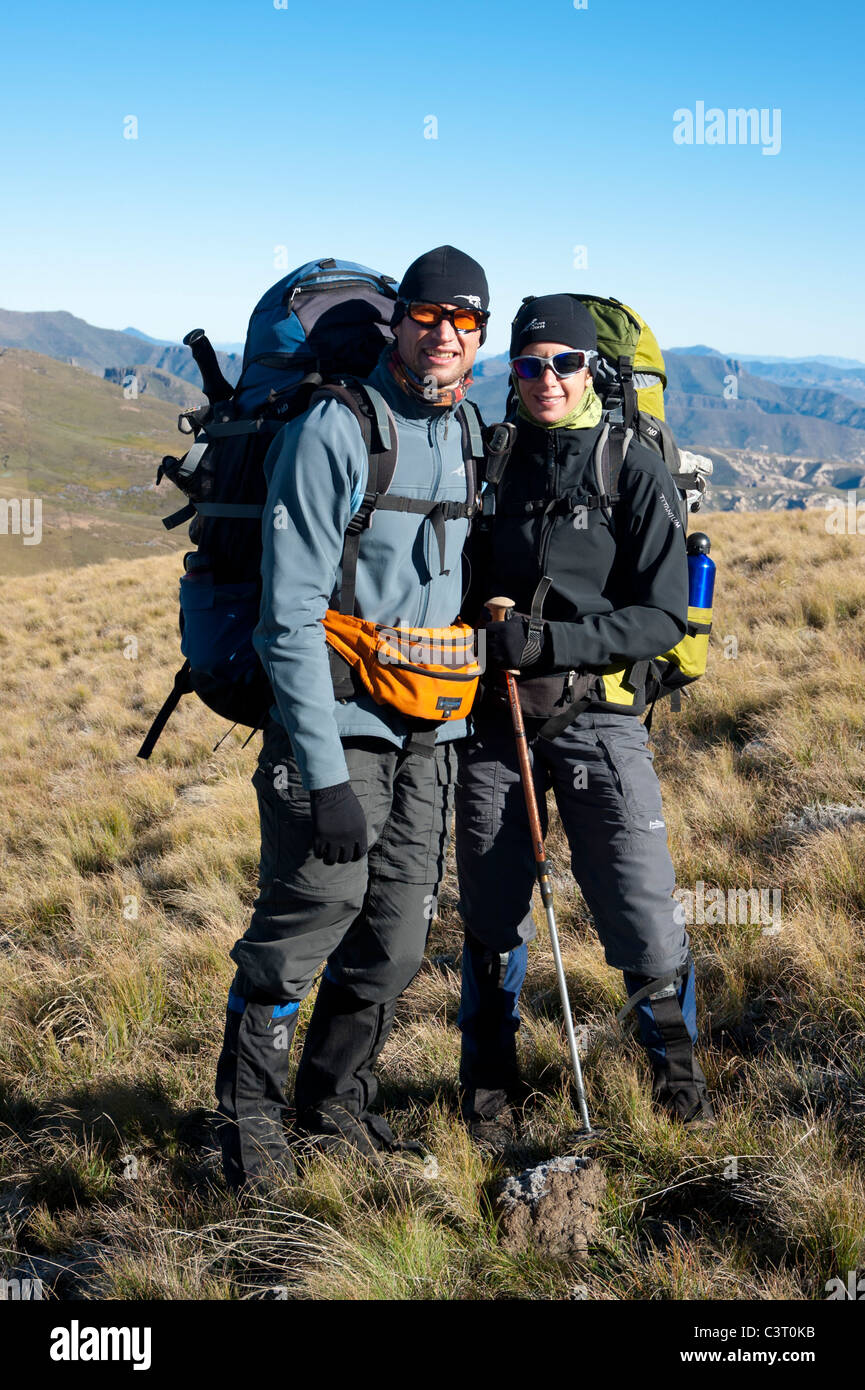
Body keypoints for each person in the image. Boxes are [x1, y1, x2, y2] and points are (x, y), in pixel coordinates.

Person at [214, 246, 490, 1188]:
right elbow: (286, 614)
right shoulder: (335, 429)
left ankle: (335, 1110)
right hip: (332, 720)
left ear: (480, 338)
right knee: (308, 920)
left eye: (464, 321)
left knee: (397, 937)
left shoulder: (467, 432)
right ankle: (251, 1134)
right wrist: (323, 778)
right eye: (426, 315)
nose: (442, 334)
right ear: (398, 320)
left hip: (429, 730)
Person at [456, 293, 714, 1145]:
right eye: (528, 365)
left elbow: (661, 618)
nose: (546, 380)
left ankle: (678, 1093)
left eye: (563, 362)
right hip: (499, 724)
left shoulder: (627, 466)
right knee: (491, 918)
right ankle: (487, 1096)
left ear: (590, 368)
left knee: (639, 908)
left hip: (600, 716)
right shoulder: (492, 459)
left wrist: (543, 639)